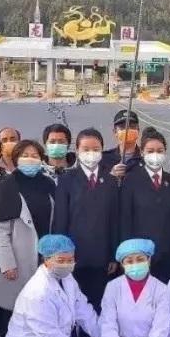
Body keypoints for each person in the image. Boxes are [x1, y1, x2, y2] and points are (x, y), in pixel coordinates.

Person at [53, 128, 121, 309]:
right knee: (74, 303)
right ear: (77, 150)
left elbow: (114, 220)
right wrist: (62, 253)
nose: (91, 153)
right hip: (74, 255)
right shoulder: (67, 179)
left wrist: (113, 255)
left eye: (95, 149)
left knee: (100, 304)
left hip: (102, 257)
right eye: (86, 149)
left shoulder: (111, 181)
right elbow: (61, 219)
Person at [0, 139, 56, 322]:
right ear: (16, 159)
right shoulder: (6, 186)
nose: (30, 159)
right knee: (16, 311)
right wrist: (7, 264)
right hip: (18, 258)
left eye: (34, 156)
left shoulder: (49, 183)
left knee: (42, 309)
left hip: (45, 256)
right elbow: (0, 230)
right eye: (25, 155)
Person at [121, 128, 170, 282]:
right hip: (139, 257)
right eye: (150, 151)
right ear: (142, 152)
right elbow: (125, 219)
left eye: (159, 151)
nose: (155, 154)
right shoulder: (131, 180)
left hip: (168, 256)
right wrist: (128, 253)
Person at [102, 110, 144, 177]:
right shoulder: (104, 159)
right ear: (115, 132)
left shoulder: (146, 158)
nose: (127, 130)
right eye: (122, 127)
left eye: (132, 126)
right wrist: (111, 176)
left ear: (138, 131)